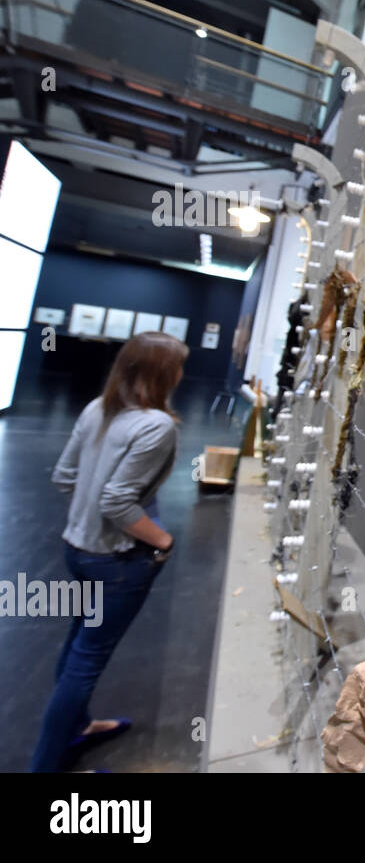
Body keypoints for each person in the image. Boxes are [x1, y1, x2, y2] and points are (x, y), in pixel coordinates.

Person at [29, 331, 188, 772]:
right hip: (115, 563)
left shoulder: (97, 409)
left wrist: (89, 512)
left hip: (77, 551)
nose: (182, 373)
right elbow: (116, 501)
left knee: (79, 643)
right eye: (177, 365)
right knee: (87, 660)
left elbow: (65, 477)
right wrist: (163, 540)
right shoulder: (156, 426)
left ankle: (76, 728)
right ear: (161, 373)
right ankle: (44, 765)